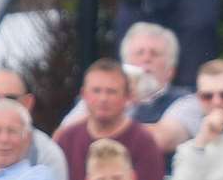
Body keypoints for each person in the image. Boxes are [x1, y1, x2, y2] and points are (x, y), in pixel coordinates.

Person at [56, 23, 204, 155]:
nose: (146, 59)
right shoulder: (99, 96)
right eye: (139, 53)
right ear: (124, 64)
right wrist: (117, 100)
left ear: (170, 71)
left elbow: (162, 139)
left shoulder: (187, 102)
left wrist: (100, 128)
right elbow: (61, 140)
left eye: (155, 54)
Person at [54, 59, 166, 180]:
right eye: (96, 91)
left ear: (127, 97)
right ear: (84, 95)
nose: (103, 99)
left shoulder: (144, 142)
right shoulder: (67, 139)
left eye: (111, 91)